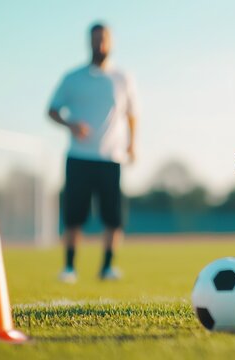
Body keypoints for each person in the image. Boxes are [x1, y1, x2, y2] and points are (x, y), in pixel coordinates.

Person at [48, 23, 138, 283]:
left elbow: (132, 114)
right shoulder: (72, 78)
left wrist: (133, 144)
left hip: (111, 158)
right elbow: (52, 110)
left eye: (104, 39)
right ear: (88, 42)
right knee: (74, 217)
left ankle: (107, 267)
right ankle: (69, 268)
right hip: (79, 157)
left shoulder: (123, 78)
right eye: (95, 39)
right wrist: (70, 124)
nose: (100, 44)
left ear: (111, 42)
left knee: (113, 218)